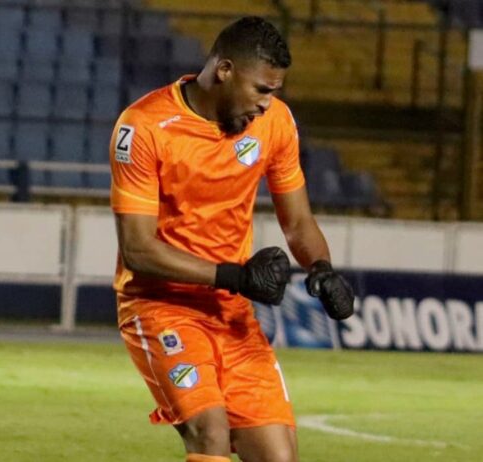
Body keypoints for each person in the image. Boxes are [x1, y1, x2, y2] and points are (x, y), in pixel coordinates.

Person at [109, 16, 354, 462]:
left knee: (278, 456)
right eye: (261, 89)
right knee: (210, 433)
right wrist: (235, 276)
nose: (266, 103)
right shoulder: (143, 126)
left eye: (274, 92)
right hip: (161, 307)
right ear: (224, 70)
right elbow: (138, 249)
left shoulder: (276, 122)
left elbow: (298, 222)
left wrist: (322, 268)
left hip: (231, 309)